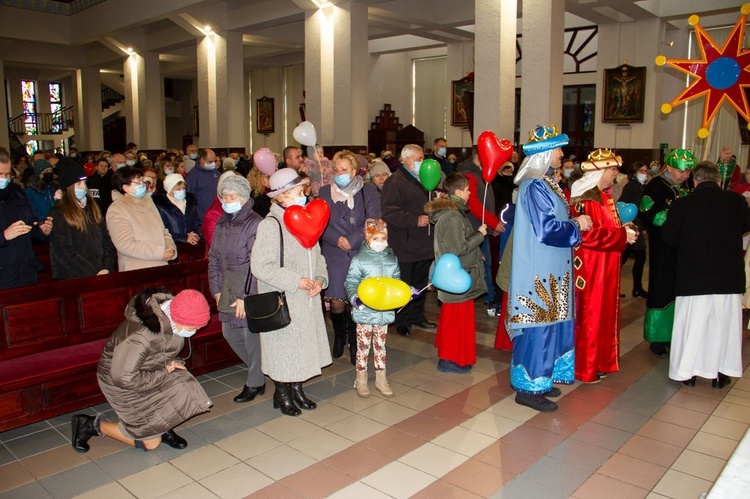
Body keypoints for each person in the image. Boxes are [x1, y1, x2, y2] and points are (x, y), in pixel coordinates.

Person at [507, 125, 592, 412]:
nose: (561, 154)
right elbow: (546, 229)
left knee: (552, 323)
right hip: (538, 271)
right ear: (544, 153)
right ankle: (528, 387)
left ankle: (542, 377)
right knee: (538, 327)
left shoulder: (545, 183)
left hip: (552, 268)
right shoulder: (534, 185)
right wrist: (577, 225)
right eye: (557, 149)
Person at [71, 288, 212, 453]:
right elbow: (124, 378)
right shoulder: (142, 336)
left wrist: (172, 363)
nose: (193, 332)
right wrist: (165, 372)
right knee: (151, 444)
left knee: (181, 388)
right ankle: (90, 425)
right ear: (177, 317)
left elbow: (161, 350)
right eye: (191, 328)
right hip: (119, 382)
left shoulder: (171, 319)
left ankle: (161, 426)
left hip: (149, 370)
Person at [250, 168, 331, 416]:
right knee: (284, 349)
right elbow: (260, 266)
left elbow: (316, 255)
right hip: (284, 296)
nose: (303, 196)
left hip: (306, 298)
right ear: (282, 196)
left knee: (301, 348)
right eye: (298, 192)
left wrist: (320, 279)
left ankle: (296, 389)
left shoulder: (307, 218)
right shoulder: (271, 224)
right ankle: (281, 393)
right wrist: (296, 280)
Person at [662, 162, 750, 388]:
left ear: (695, 180)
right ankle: (720, 373)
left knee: (692, 326)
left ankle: (687, 373)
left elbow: (669, 237)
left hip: (693, 276)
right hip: (727, 277)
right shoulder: (736, 202)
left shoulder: (682, 205)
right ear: (719, 181)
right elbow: (746, 226)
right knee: (723, 326)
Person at [569, 149, 636, 383]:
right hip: (592, 268)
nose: (615, 174)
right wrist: (621, 237)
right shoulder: (586, 198)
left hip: (606, 266)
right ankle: (585, 366)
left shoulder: (604, 196)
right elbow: (586, 235)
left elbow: (607, 228)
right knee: (591, 315)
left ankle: (600, 360)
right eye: (612, 169)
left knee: (604, 314)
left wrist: (623, 231)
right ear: (599, 172)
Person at [318, 150, 382, 363]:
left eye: (344, 170)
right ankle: (339, 337)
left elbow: (374, 221)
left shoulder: (368, 190)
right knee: (337, 303)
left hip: (359, 252)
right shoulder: (325, 191)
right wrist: (337, 239)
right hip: (334, 252)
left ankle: (355, 343)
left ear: (354, 171)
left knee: (357, 301)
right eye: (336, 170)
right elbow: (320, 222)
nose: (339, 173)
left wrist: (353, 240)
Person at [208, 175, 266, 403]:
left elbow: (256, 264)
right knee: (229, 333)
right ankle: (259, 371)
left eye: (231, 196)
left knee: (249, 334)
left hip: (247, 286)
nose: (227, 200)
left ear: (243, 198)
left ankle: (255, 381)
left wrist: (246, 297)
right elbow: (213, 259)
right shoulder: (222, 222)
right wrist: (216, 290)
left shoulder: (255, 223)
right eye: (224, 196)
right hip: (227, 286)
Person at [425, 173, 487, 373]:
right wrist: (480, 235)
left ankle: (450, 355)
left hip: (457, 273)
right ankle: (449, 359)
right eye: (468, 190)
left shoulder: (453, 213)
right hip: (456, 276)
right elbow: (457, 248)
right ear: (459, 192)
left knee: (454, 318)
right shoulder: (452, 216)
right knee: (456, 320)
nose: (470, 193)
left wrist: (477, 254)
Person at [639, 149, 695, 357]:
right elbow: (647, 213)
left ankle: (677, 334)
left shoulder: (688, 185)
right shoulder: (655, 186)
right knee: (662, 288)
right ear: (669, 168)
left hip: (685, 248)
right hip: (663, 247)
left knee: (681, 289)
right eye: (681, 172)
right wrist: (676, 216)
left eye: (688, 172)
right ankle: (658, 338)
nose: (685, 176)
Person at [380, 144, 436, 336]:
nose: (423, 162)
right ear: (408, 160)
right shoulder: (395, 181)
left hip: (423, 242)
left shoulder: (423, 179)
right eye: (420, 159)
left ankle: (417, 316)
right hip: (405, 242)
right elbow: (388, 211)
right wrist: (414, 220)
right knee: (404, 284)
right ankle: (401, 319)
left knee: (420, 283)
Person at [345, 218, 399, 397]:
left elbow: (396, 283)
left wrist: (405, 292)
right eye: (376, 238)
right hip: (365, 311)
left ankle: (381, 379)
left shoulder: (392, 259)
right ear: (368, 238)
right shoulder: (360, 259)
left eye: (383, 238)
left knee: (380, 346)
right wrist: (355, 299)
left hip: (383, 313)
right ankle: (360, 379)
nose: (380, 243)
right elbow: (351, 282)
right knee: (363, 346)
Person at [49, 159, 116, 279]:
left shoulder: (93, 208)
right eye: (79, 184)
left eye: (84, 183)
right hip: (74, 277)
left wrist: (107, 268)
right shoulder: (58, 213)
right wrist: (94, 273)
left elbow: (106, 241)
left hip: (100, 273)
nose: (83, 187)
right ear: (68, 187)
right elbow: (64, 251)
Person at [458, 147, 505, 316]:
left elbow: (487, 202)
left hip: (482, 226)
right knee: (482, 262)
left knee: (485, 262)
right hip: (474, 226)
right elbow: (475, 205)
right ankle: (490, 298)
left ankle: (486, 296)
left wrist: (491, 225)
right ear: (478, 156)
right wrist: (493, 223)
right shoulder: (470, 173)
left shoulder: (481, 173)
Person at [0, 147, 53, 289]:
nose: (4, 179)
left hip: (26, 271)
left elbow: (27, 228)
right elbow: (8, 234)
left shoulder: (17, 193)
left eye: (7, 174)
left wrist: (42, 231)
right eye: (0, 174)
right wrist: (4, 235)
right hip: (3, 275)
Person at [107, 166, 178, 271]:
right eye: (138, 182)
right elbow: (125, 244)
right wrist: (159, 253)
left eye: (142, 181)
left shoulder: (148, 201)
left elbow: (163, 230)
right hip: (137, 268)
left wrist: (170, 249)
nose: (142, 185)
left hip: (160, 263)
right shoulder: (117, 209)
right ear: (125, 187)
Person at [619, 161, 649, 298]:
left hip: (637, 225)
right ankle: (635, 288)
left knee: (636, 257)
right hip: (632, 225)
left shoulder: (641, 186)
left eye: (645, 171)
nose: (644, 173)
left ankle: (637, 287)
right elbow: (623, 203)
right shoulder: (631, 186)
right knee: (631, 257)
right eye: (641, 170)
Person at [153, 173, 201, 245]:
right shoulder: (161, 207)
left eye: (183, 188)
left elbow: (197, 224)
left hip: (192, 246)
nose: (182, 191)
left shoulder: (190, 203)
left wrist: (196, 235)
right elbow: (162, 231)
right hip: (173, 246)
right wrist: (184, 238)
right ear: (169, 189)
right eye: (178, 189)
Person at [187, 148, 221, 221]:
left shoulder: (216, 173)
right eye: (210, 162)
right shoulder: (193, 176)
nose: (213, 164)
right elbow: (189, 198)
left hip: (218, 215)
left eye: (214, 161)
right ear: (202, 160)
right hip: (202, 217)